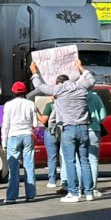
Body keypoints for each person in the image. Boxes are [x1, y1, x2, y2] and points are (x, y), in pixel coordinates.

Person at [32, 60, 96, 203]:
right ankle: (89, 192)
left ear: (59, 83)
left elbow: (39, 86)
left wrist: (34, 72)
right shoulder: (81, 87)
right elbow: (91, 79)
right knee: (85, 161)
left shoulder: (59, 90)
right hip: (84, 128)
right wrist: (81, 67)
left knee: (70, 161)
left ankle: (74, 193)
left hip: (68, 129)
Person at [0, 81, 38, 203]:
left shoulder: (8, 105)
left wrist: (3, 142)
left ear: (13, 92)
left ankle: (11, 196)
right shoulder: (31, 104)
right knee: (29, 165)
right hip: (27, 134)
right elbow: (35, 123)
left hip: (13, 136)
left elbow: (5, 125)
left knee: (13, 167)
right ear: (25, 91)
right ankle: (31, 194)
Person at [87, 88, 107, 198]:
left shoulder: (76, 96)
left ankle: (81, 187)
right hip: (94, 130)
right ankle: (93, 187)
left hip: (79, 129)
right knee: (93, 160)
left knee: (80, 161)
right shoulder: (95, 97)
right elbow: (103, 116)